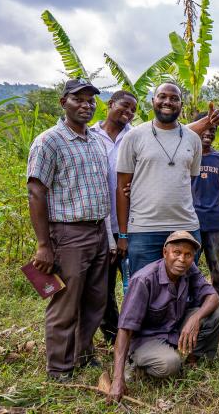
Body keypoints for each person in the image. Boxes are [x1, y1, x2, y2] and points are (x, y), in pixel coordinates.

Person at [27, 78, 114, 381]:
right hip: (68, 233)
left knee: (95, 299)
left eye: (90, 101)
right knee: (65, 303)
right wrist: (43, 245)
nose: (86, 105)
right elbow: (36, 191)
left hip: (98, 230)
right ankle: (60, 370)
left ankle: (83, 355)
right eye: (79, 99)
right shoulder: (49, 141)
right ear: (64, 102)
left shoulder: (95, 139)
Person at [108, 231, 219, 402]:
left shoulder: (188, 269)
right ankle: (134, 366)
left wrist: (195, 318)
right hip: (146, 339)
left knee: (216, 315)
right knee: (170, 364)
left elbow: (213, 296)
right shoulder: (144, 280)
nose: (182, 260)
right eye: (176, 253)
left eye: (188, 255)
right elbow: (124, 330)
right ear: (165, 253)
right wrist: (117, 379)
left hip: (173, 329)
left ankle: (193, 362)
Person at [116, 83, 204, 276]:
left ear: (181, 104)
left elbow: (189, 180)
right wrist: (123, 234)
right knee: (144, 287)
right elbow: (122, 187)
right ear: (152, 101)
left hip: (185, 227)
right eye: (162, 96)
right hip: (143, 229)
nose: (167, 102)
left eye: (174, 98)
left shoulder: (193, 139)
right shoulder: (133, 137)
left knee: (184, 289)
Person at [90, 90, 137, 345]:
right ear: (110, 104)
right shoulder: (89, 136)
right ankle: (112, 335)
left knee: (133, 283)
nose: (128, 113)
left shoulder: (136, 135)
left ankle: (133, 333)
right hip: (100, 225)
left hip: (130, 223)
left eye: (133, 110)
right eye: (124, 107)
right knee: (103, 287)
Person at [191, 113, 219, 317]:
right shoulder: (188, 155)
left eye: (212, 131)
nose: (208, 134)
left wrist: (211, 204)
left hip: (216, 222)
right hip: (191, 222)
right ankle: (189, 310)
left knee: (217, 272)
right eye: (204, 129)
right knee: (187, 269)